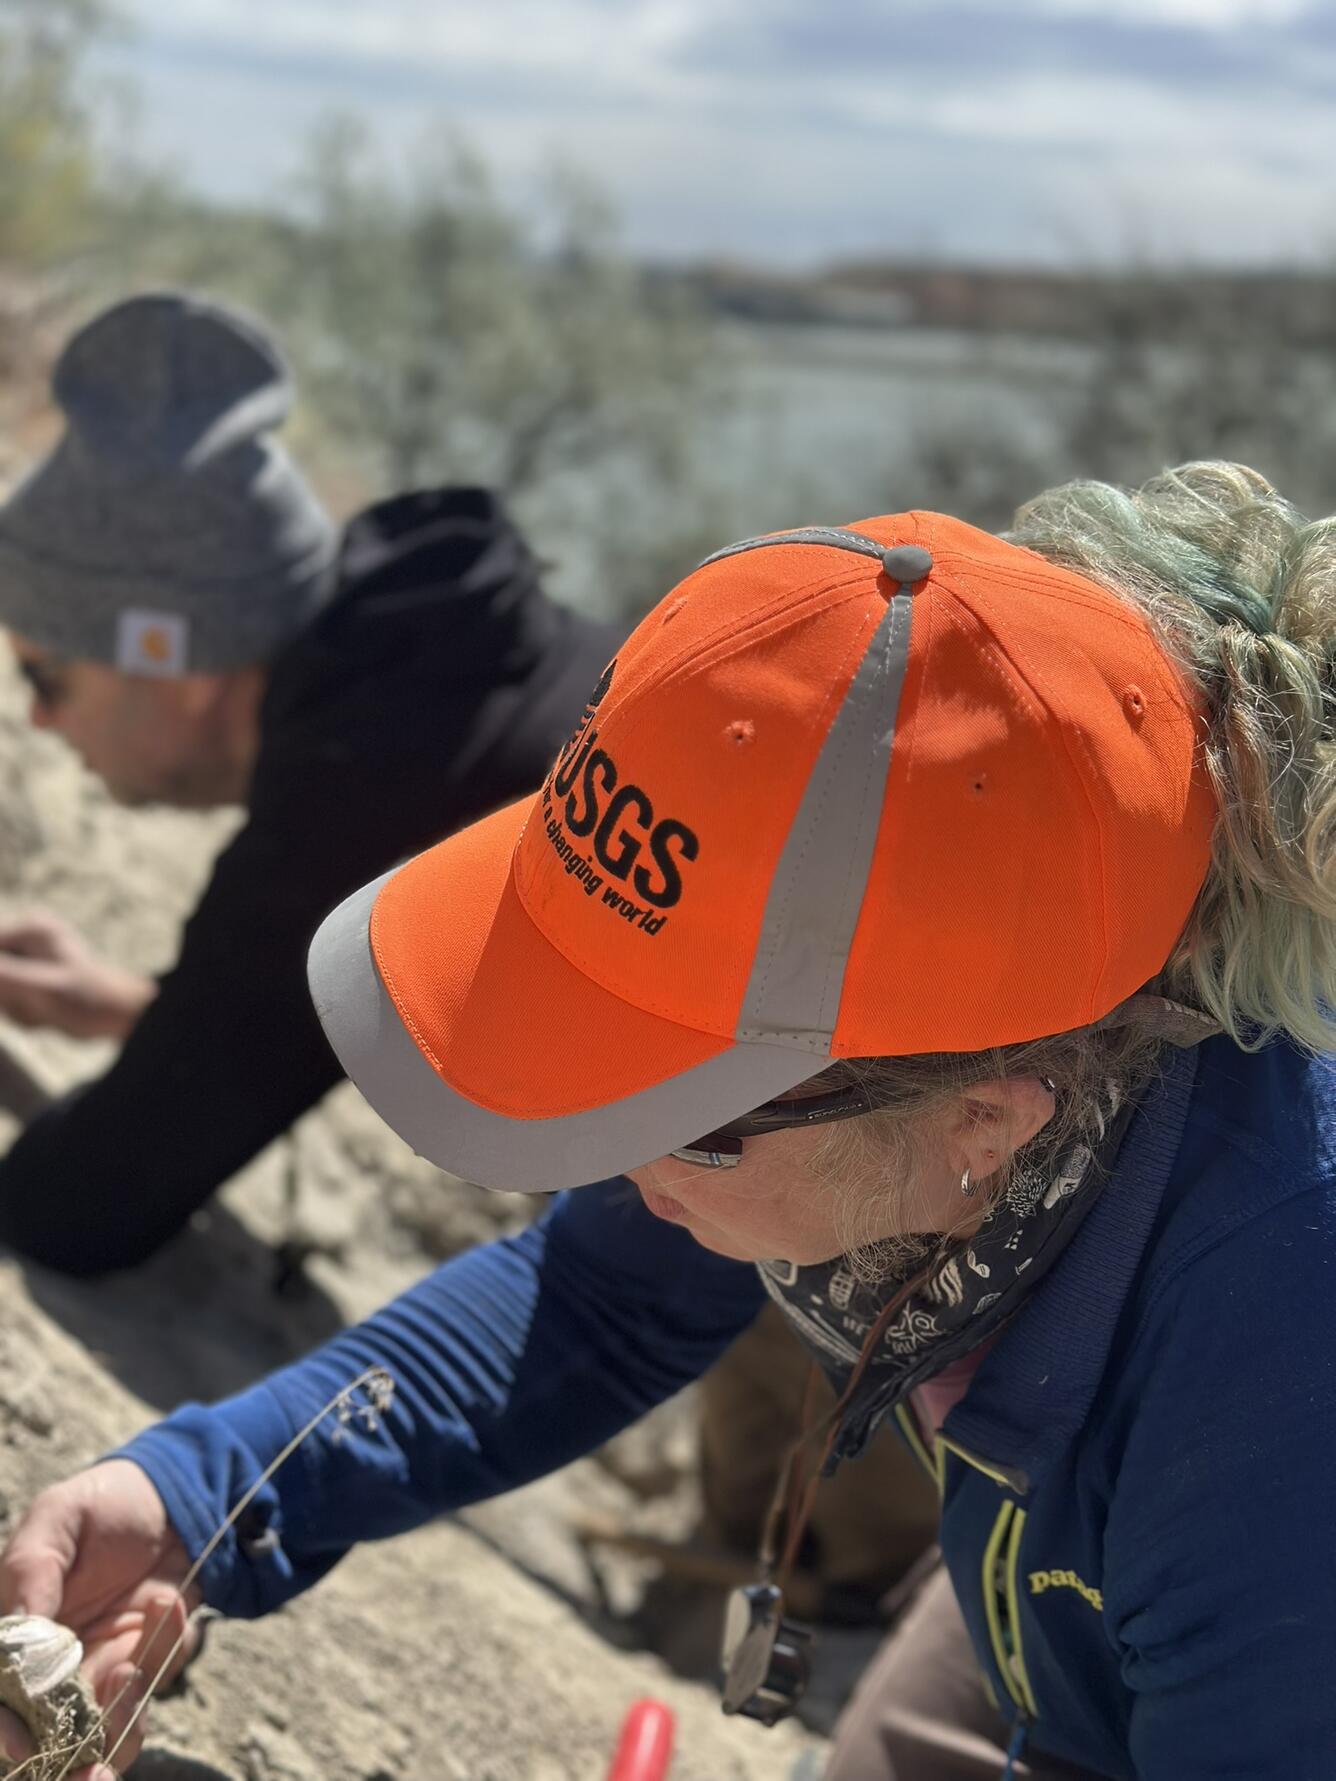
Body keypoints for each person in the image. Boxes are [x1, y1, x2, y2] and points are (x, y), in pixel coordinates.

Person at [4, 462, 1335, 1781]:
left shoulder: (1266, 1458)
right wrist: (198, 1495)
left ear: (985, 1119)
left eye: (677, 1114)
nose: (600, 1157)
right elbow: (598, 1302)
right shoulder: (949, 1096)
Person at [0, 290, 619, 1274]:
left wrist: (186, 1032)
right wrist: (153, 1009)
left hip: (880, 1258)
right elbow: (284, 1020)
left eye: (47, 675)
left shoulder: (354, 798)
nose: (36, 718)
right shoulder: (447, 673)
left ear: (177, 659)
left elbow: (77, 1203)